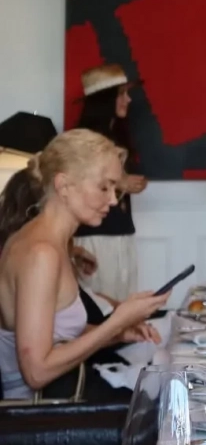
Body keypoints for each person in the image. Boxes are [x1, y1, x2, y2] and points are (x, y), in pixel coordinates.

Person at [0, 130, 167, 400]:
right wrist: (115, 323)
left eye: (114, 189)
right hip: (40, 415)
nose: (113, 200)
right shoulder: (41, 254)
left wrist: (118, 333)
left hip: (62, 399)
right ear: (64, 185)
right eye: (104, 187)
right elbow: (36, 372)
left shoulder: (48, 242)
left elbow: (57, 335)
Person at [74, 63, 146, 299]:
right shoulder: (81, 142)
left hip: (122, 232)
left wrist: (130, 183)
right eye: (121, 93)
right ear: (105, 100)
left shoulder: (117, 136)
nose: (128, 99)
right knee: (102, 305)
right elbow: (76, 185)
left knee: (123, 304)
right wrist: (120, 183)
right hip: (95, 237)